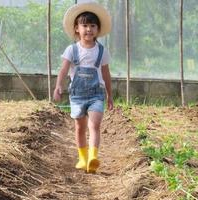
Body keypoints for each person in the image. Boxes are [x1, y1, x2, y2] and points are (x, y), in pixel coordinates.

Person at [53, 2, 113, 173]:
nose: (88, 29)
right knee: (80, 127)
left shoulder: (102, 51)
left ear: (98, 29)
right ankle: (82, 158)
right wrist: (58, 86)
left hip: (96, 94)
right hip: (77, 95)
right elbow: (64, 69)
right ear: (76, 29)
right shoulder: (72, 50)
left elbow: (106, 74)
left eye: (92, 26)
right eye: (84, 25)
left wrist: (110, 95)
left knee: (94, 125)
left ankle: (93, 157)